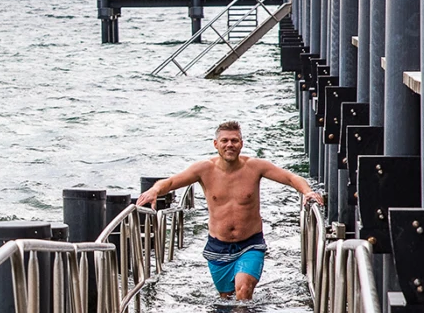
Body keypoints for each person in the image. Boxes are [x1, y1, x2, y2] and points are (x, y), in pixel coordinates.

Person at [137, 120, 324, 301]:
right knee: (227, 299)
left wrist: (307, 192)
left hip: (250, 243)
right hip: (218, 246)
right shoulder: (204, 169)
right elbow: (170, 182)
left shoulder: (255, 167)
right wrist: (154, 190)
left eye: (234, 140)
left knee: (243, 290)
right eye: (225, 141)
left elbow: (291, 178)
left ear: (241, 144)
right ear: (216, 144)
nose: (230, 145)